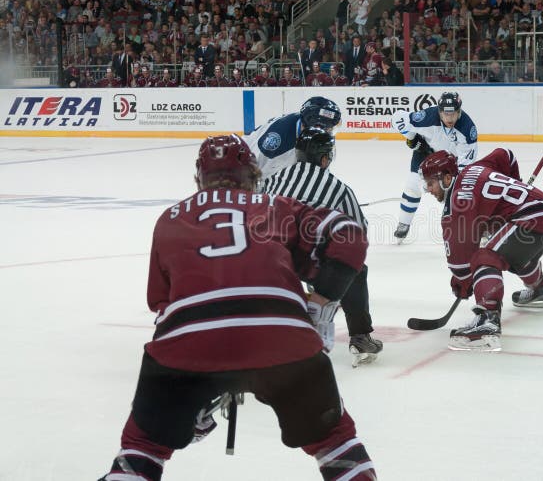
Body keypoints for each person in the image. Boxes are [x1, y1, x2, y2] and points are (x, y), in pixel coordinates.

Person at [98, 135, 376, 481]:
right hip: (283, 338)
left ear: (200, 178)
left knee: (143, 445)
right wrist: (322, 299)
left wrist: (187, 393)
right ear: (251, 174)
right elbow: (349, 235)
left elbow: (162, 304)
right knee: (334, 442)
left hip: (189, 344)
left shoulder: (169, 218)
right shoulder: (275, 205)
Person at [419, 148, 543, 351]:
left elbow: (461, 264)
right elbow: (506, 154)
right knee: (515, 254)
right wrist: (515, 185)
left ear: (447, 178)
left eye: (430, 183)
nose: (428, 190)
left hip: (534, 218)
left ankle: (488, 322)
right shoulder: (474, 168)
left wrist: (462, 282)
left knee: (484, 257)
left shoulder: (457, 205)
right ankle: (541, 289)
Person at [262, 128, 383, 367]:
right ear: (325, 158)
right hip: (305, 262)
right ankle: (360, 337)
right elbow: (358, 231)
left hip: (265, 258)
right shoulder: (338, 188)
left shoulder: (273, 179)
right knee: (356, 268)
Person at [390, 92, 479, 240]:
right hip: (426, 153)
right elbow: (397, 118)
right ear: (439, 111)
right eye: (446, 114)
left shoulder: (467, 128)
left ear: (459, 111)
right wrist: (412, 138)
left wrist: (455, 182)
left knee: (458, 193)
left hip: (450, 161)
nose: (449, 119)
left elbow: (466, 161)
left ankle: (474, 227)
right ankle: (403, 223)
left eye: (453, 114)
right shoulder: (427, 117)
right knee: (413, 187)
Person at [243, 96, 342, 178]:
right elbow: (257, 175)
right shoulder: (278, 143)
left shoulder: (307, 126)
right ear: (315, 127)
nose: (330, 132)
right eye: (329, 129)